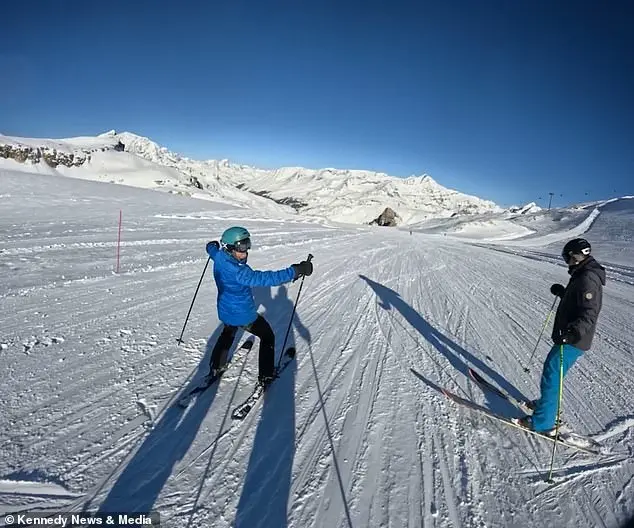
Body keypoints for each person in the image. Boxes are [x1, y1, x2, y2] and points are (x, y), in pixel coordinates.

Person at [205, 226, 313, 387]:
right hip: (243, 314)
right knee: (267, 336)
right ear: (229, 248)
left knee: (227, 333)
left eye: (247, 244)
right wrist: (295, 271)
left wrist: (211, 246)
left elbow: (211, 249)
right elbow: (266, 279)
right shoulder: (240, 272)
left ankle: (216, 366)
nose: (246, 251)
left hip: (225, 310)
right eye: (241, 247)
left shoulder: (219, 256)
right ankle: (266, 376)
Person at [519, 238, 606, 434]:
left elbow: (589, 313)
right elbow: (579, 301)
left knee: (551, 373)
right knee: (554, 374)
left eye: (567, 258)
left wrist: (572, 333)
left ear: (576, 256)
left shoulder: (587, 278)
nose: (567, 261)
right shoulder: (583, 273)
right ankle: (546, 406)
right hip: (573, 335)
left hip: (574, 338)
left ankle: (542, 422)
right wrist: (564, 293)